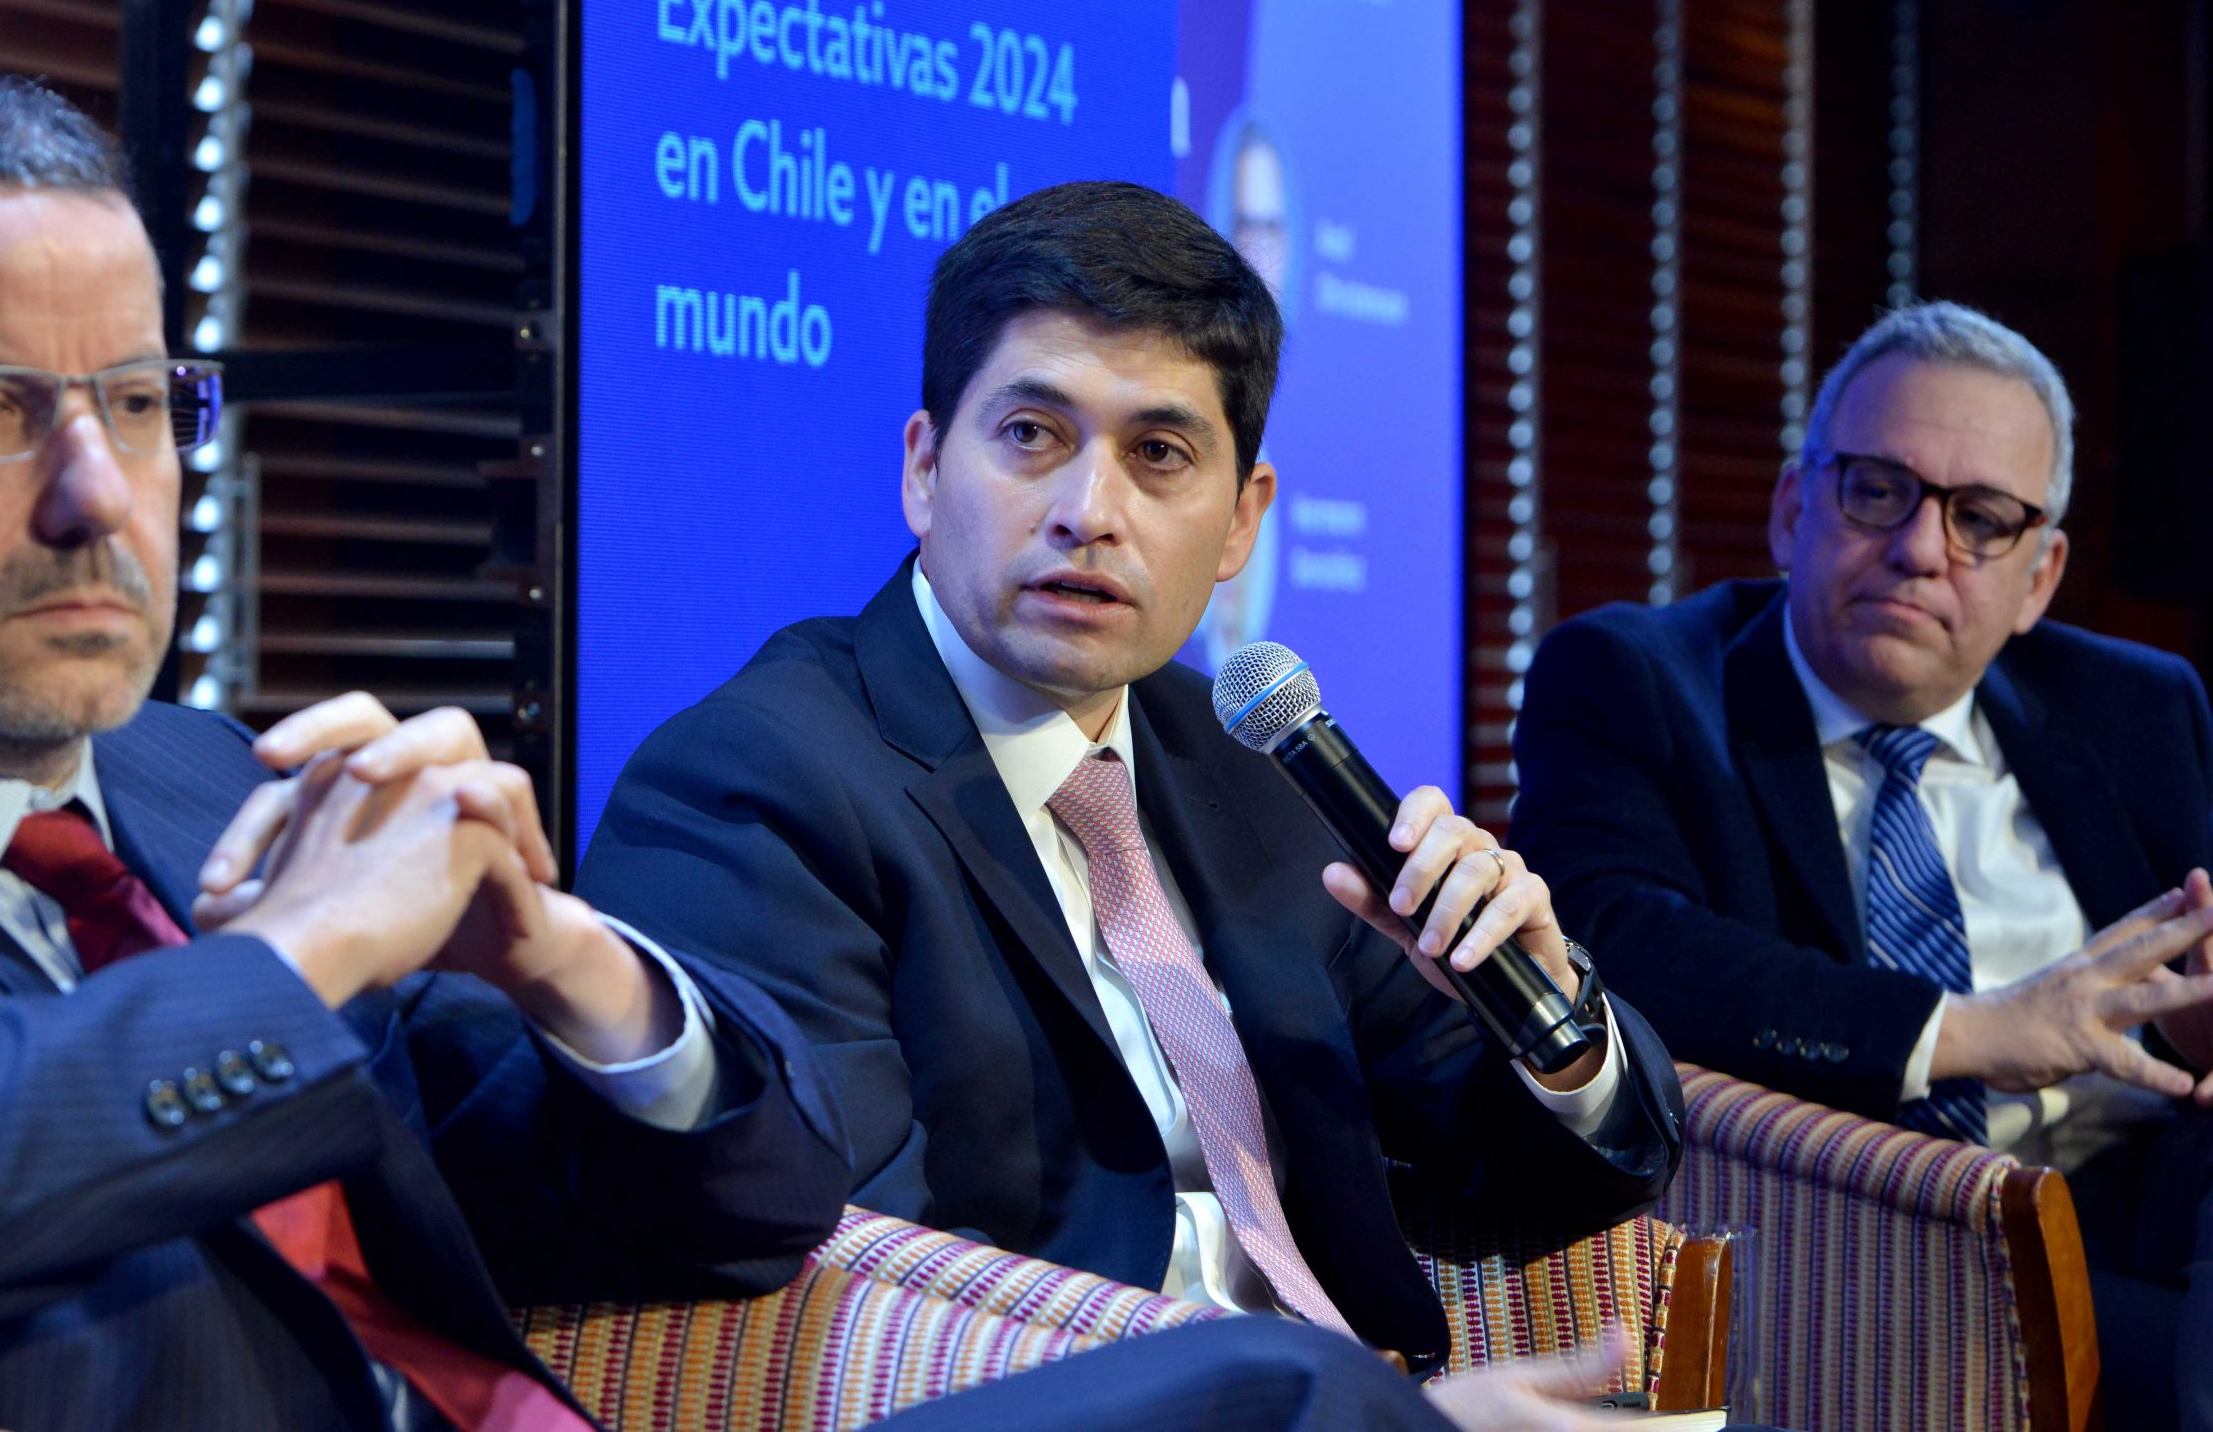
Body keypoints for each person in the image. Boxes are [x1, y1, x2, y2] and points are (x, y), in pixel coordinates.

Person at [0, 70, 1484, 1432]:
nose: (94, 492)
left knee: (1275, 1396)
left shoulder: (196, 781)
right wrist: (299, 955)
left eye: (138, 404)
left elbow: (753, 1209)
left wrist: (572, 968)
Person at [580, 180, 1690, 1431]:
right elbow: (863, 1293)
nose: (1088, 512)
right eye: (1031, 435)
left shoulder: (1249, 766)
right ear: (924, 467)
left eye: (1158, 454)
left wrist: (1547, 1019)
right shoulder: (757, 781)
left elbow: (1525, 1182)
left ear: (1241, 521)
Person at [1511, 300, 2213, 1429]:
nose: (1921, 549)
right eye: (1879, 490)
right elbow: (1614, 945)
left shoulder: (2140, 707)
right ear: (1795, 510)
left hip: (2149, 1209)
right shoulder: (1635, 681)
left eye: (1981, 519)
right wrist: (1974, 1032)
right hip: (1864, 1249)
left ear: (2039, 577)